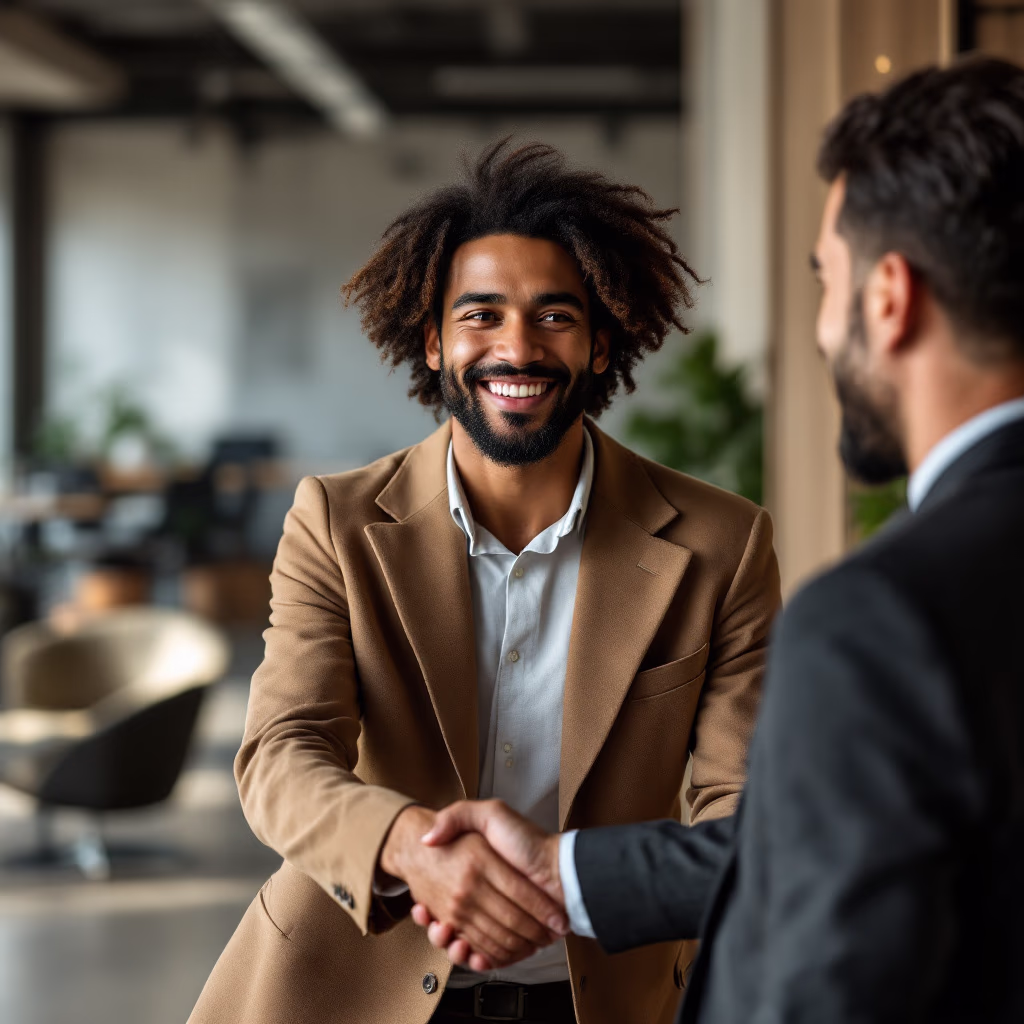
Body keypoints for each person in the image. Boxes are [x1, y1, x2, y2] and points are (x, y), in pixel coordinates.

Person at [417, 57, 1024, 1024]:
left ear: (888, 297)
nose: (821, 331)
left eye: (827, 281)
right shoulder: (337, 516)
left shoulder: (882, 613)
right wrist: (564, 873)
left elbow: (826, 966)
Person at [189, 140, 781, 1024]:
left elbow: (743, 808)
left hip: (600, 999)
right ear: (433, 343)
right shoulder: (336, 523)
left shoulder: (721, 544)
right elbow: (281, 753)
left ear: (602, 343)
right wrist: (410, 849)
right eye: (481, 315)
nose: (517, 347)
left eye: (554, 316)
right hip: (349, 987)